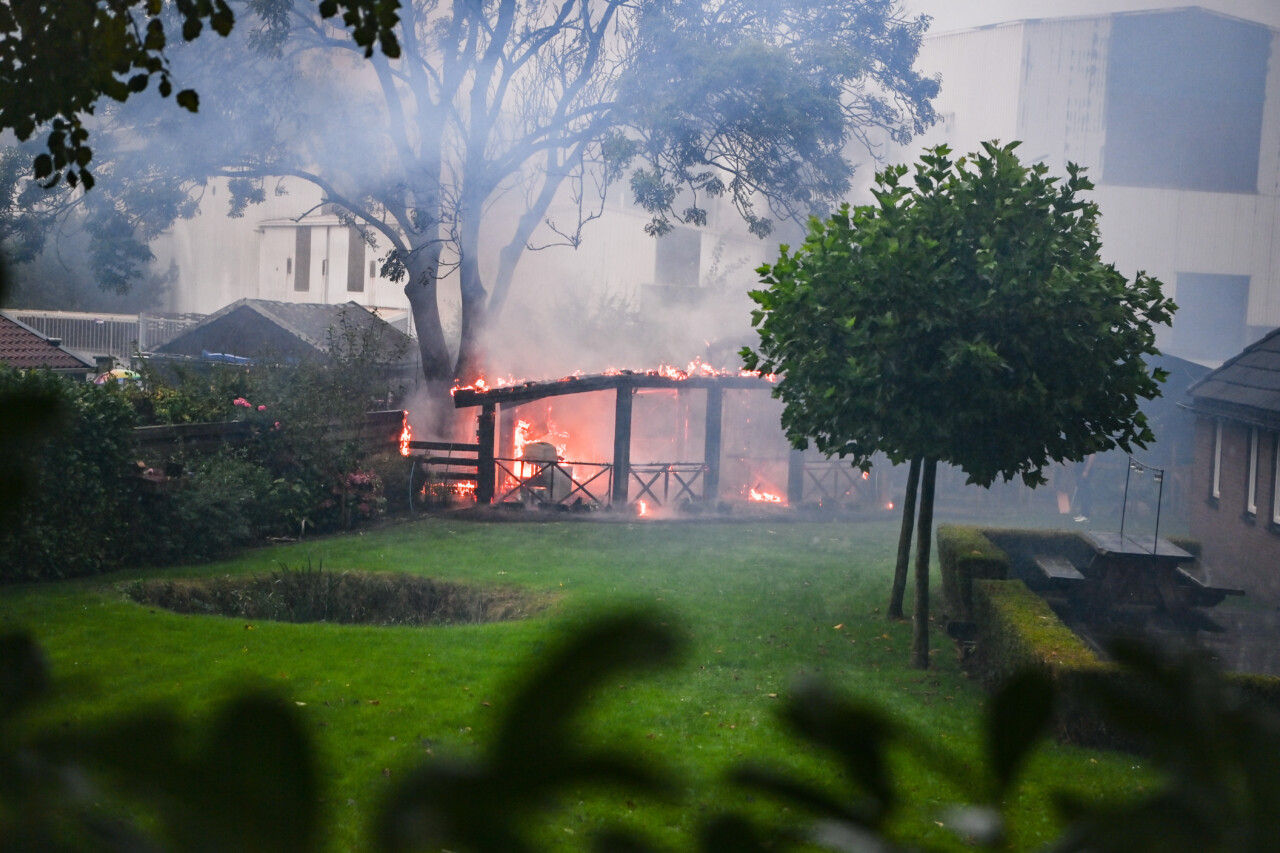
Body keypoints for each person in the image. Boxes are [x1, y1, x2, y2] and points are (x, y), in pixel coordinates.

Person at [1073, 453, 1095, 523]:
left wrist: (1086, 471)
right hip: (1080, 471)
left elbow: (1092, 456)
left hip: (1085, 472)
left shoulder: (1090, 445)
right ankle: (1082, 514)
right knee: (1082, 494)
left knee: (1086, 493)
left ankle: (1086, 515)